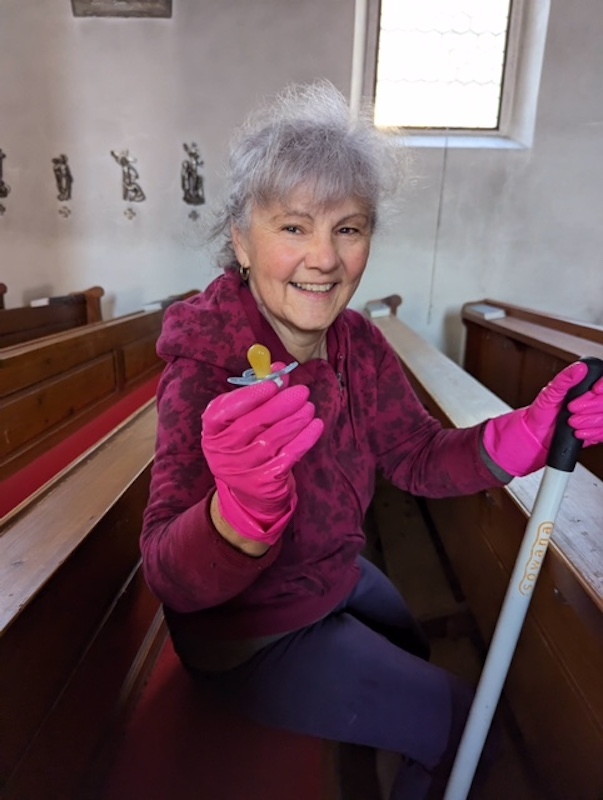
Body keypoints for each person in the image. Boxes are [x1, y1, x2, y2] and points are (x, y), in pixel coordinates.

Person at [140, 81, 603, 799]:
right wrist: (235, 520)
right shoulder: (206, 367)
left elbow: (414, 454)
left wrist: (521, 435)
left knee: (413, 642)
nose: (324, 259)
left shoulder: (356, 341)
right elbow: (169, 575)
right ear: (240, 239)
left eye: (348, 229)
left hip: (328, 572)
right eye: (294, 227)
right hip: (250, 633)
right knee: (468, 727)